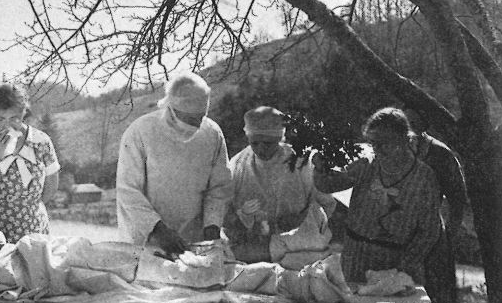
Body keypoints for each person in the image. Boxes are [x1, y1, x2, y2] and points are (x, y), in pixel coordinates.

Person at [312, 107, 442, 286]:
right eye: (373, 143)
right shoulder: (367, 165)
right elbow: (329, 185)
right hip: (354, 258)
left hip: (394, 264)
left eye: (384, 143)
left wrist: (404, 266)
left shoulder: (424, 178)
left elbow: (430, 230)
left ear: (404, 140)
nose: (377, 149)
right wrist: (320, 168)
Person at [116, 71, 232, 253]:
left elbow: (219, 187)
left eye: (200, 117)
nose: (196, 125)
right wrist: (158, 230)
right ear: (171, 109)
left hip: (195, 237)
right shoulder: (140, 132)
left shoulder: (211, 133)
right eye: (190, 119)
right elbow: (128, 190)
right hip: (148, 238)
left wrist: (212, 226)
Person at [225, 106, 337, 264]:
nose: (261, 149)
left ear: (279, 138)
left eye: (267, 143)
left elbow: (327, 203)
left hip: (296, 240)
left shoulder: (301, 163)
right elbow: (224, 209)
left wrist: (302, 219)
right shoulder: (238, 164)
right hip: (256, 243)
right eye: (255, 143)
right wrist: (244, 219)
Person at [0, 84, 60, 244]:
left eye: (14, 118)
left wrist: (27, 208)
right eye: (1, 119)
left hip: (31, 228)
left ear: (24, 113)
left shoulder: (41, 141)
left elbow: (51, 185)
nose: (7, 125)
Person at [405, 108, 467, 303]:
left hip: (431, 235)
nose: (409, 126)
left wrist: (448, 238)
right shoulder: (393, 149)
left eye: (413, 121)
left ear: (424, 124)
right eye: (404, 120)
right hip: (396, 232)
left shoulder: (440, 154)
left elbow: (457, 199)